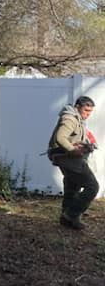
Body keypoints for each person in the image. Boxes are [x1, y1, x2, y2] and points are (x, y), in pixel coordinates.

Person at [47, 95, 99, 230]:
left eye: (90, 111)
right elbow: (60, 137)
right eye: (86, 110)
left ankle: (66, 220)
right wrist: (72, 150)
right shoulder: (70, 118)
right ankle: (71, 215)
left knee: (72, 187)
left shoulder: (78, 119)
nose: (88, 114)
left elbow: (74, 137)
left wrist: (88, 145)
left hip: (65, 158)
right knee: (92, 187)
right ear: (77, 107)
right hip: (67, 158)